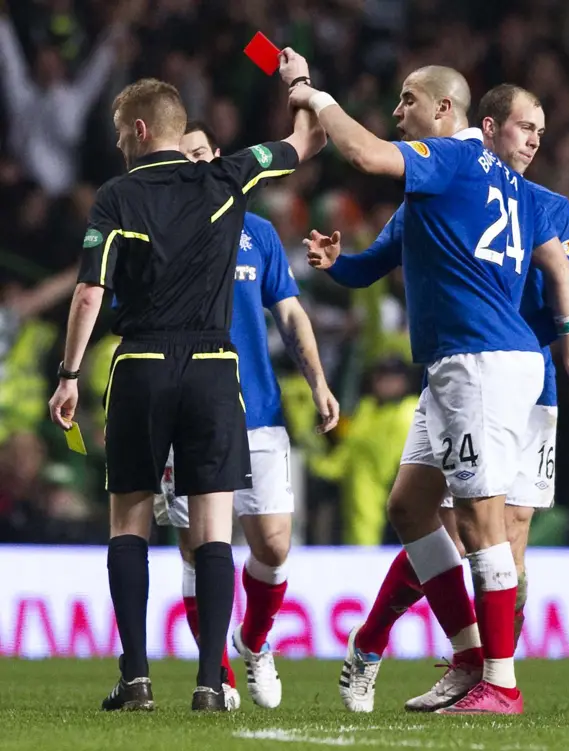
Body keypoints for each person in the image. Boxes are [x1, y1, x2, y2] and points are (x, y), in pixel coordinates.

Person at [280, 51, 569, 715]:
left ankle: (499, 680)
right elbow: (544, 263)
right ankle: (470, 657)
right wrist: (336, 262)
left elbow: (367, 155)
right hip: (460, 366)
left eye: (408, 99)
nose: (397, 110)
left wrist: (314, 98)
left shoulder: (461, 163)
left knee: (487, 524)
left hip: (491, 364)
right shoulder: (471, 190)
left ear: (449, 111)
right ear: (495, 127)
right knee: (412, 507)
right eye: (526, 126)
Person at [48, 74, 326, 712]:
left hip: (142, 362)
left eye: (122, 134)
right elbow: (308, 140)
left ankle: (138, 678)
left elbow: (90, 292)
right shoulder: (229, 177)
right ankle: (211, 683)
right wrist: (301, 84)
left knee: (130, 523)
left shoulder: (117, 195)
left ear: (141, 130)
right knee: (212, 531)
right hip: (210, 366)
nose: (119, 146)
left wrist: (67, 376)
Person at [154, 120, 339, 710]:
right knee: (199, 548)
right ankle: (219, 677)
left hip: (258, 411)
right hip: (187, 414)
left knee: (275, 546)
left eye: (207, 153)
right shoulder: (159, 235)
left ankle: (254, 643)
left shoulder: (256, 233)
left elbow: (290, 315)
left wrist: (318, 383)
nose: (201, 163)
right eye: (187, 156)